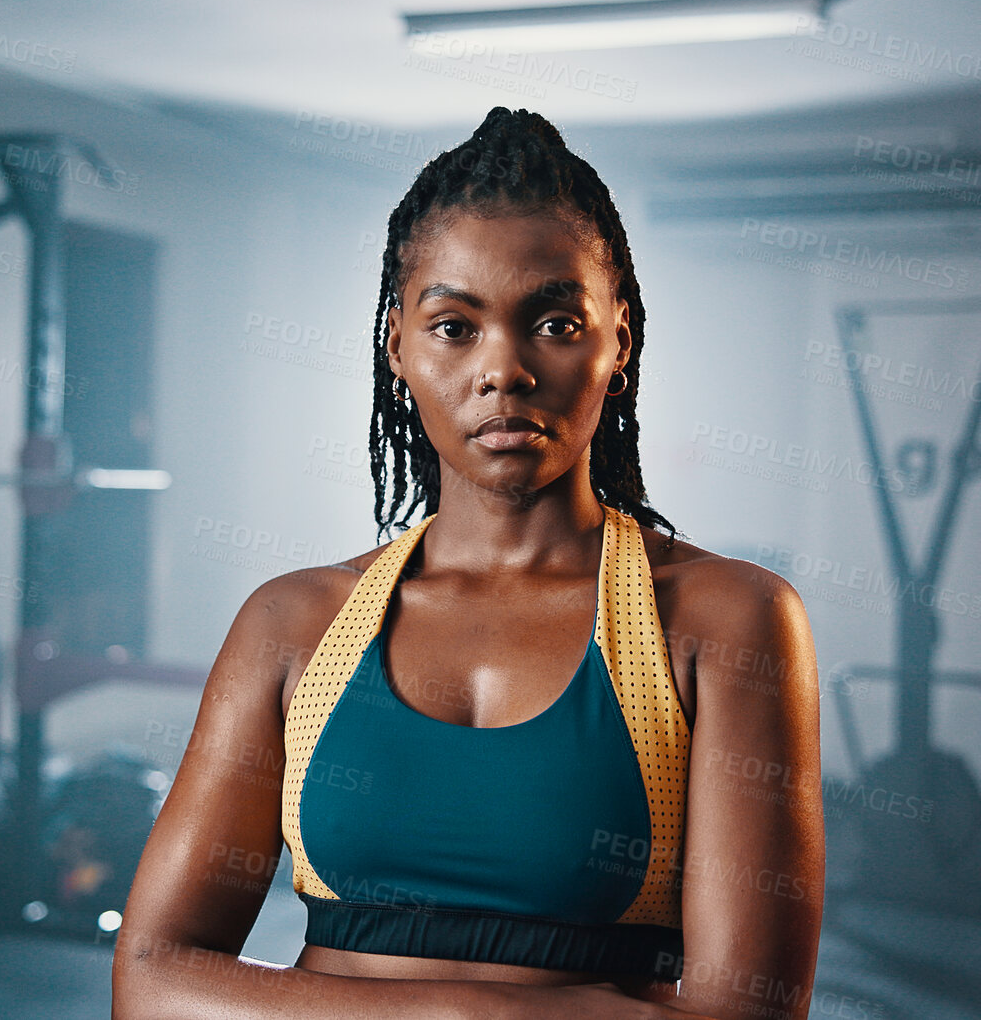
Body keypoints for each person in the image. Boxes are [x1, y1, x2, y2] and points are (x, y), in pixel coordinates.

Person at [114, 107, 823, 1020]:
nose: (503, 370)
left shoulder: (724, 618)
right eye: (454, 326)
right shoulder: (294, 623)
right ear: (396, 345)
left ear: (619, 340)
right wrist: (472, 1013)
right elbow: (150, 978)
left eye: (555, 322)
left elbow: (748, 1015)